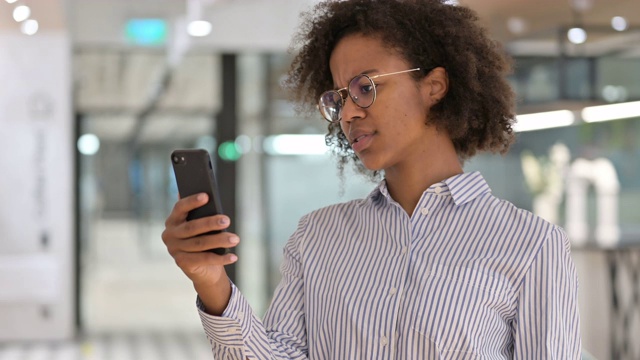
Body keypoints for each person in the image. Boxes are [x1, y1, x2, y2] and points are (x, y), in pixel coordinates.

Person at [161, 0, 582, 358]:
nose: (347, 114)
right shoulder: (317, 236)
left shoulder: (531, 246)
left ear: (434, 86)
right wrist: (211, 281)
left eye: (365, 87)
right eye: (338, 97)